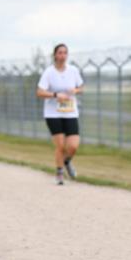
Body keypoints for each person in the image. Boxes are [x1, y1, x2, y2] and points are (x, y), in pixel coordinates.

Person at [36, 44, 83, 185]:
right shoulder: (49, 72)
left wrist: (75, 91)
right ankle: (59, 172)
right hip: (53, 114)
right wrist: (56, 95)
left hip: (70, 112)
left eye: (65, 53)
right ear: (55, 55)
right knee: (61, 145)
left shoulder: (73, 70)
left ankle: (67, 161)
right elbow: (39, 92)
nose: (63, 55)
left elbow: (81, 86)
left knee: (73, 146)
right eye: (60, 53)